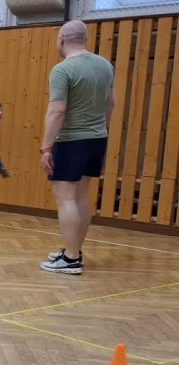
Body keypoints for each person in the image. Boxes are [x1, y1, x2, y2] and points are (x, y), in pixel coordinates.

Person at [39, 20, 115, 275]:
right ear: (85, 39)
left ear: (61, 39)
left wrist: (46, 148)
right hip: (97, 138)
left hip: (71, 140)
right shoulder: (105, 65)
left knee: (66, 198)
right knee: (81, 197)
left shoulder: (62, 70)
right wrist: (99, 130)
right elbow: (110, 104)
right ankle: (74, 250)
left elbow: (57, 111)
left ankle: (71, 259)